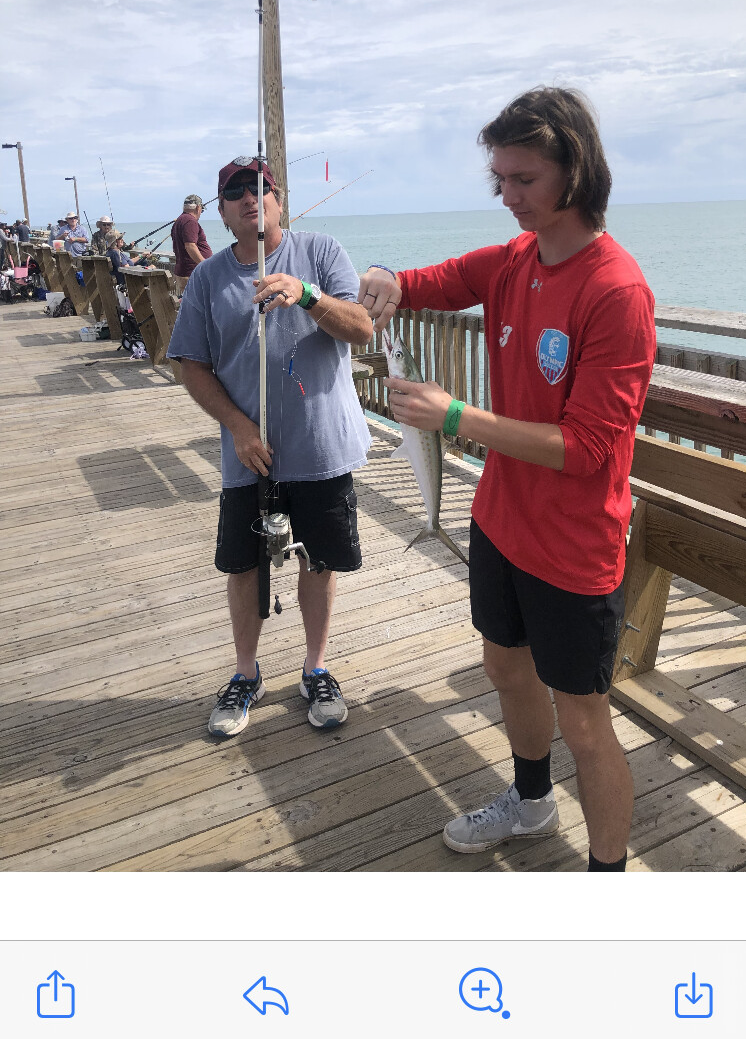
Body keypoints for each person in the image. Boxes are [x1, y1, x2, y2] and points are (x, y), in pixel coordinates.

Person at [359, 87, 656, 873]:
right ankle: (530, 801)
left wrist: (456, 416)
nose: (508, 196)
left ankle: (606, 873)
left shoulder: (617, 290)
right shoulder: (513, 261)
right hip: (500, 521)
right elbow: (428, 281)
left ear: (575, 170)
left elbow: (588, 448)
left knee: (585, 723)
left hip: (573, 547)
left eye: (524, 179)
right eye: (500, 179)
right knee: (504, 667)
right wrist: (385, 275)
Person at [167, 156, 373, 738]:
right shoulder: (208, 279)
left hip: (320, 447)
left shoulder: (321, 252)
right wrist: (237, 426)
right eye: (235, 192)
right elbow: (191, 363)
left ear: (279, 201)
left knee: (318, 559)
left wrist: (305, 294)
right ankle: (245, 672)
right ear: (221, 212)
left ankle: (315, 667)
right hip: (250, 455)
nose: (250, 199)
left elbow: (361, 326)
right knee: (242, 566)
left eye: (261, 189)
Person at [171, 193, 212, 294]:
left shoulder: (179, 220)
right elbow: (190, 246)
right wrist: (205, 265)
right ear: (198, 208)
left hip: (185, 272)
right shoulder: (190, 221)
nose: (200, 213)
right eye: (202, 211)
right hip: (192, 273)